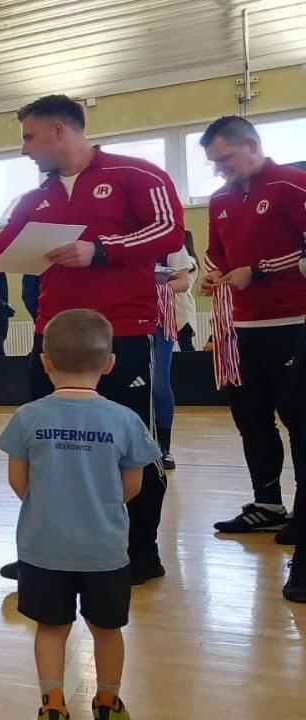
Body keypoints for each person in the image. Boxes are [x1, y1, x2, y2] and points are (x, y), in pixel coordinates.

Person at [0, 94, 184, 584]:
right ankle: (46, 551)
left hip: (122, 334)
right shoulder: (33, 200)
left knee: (135, 447)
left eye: (28, 137)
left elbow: (170, 233)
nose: (24, 149)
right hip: (52, 338)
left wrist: (99, 250)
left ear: (60, 130)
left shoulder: (136, 175)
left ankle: (140, 553)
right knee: (45, 444)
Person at [0, 309, 159, 720]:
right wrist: (98, 505)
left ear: (45, 362)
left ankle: (52, 704)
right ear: (109, 364)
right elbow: (134, 487)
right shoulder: (125, 419)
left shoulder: (28, 416)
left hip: (42, 546)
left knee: (50, 628)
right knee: (107, 628)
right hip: (104, 548)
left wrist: (52, 505)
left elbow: (18, 480)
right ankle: (108, 702)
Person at [198, 115, 306, 543]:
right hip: (242, 326)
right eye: (213, 162)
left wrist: (257, 272)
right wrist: (214, 274)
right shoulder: (219, 199)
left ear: (251, 144)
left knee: (298, 418)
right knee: (250, 416)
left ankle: (303, 509)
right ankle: (267, 504)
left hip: (293, 322)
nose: (219, 168)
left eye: (224, 158)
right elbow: (214, 253)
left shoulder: (291, 184)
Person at [151, 238, 195, 470]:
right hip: (127, 318)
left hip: (161, 321)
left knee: (159, 383)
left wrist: (151, 287)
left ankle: (164, 448)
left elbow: (184, 282)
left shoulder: (173, 244)